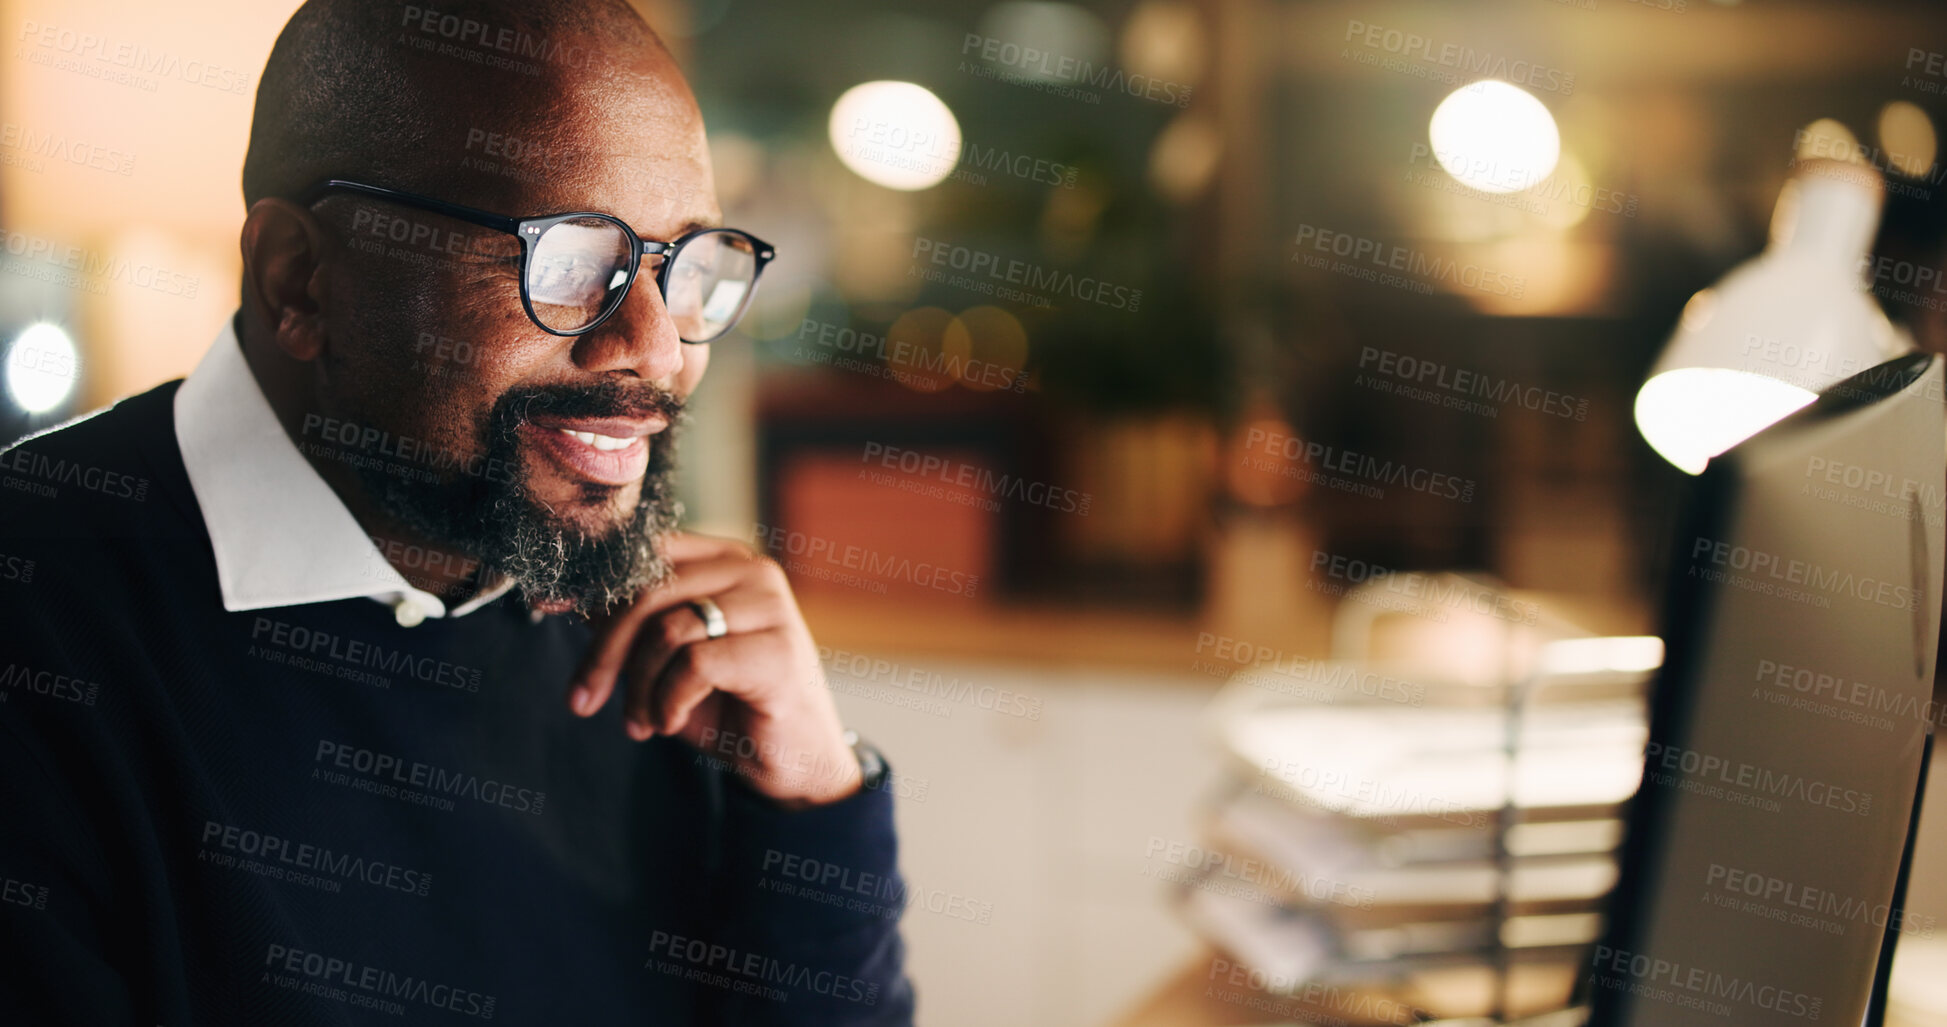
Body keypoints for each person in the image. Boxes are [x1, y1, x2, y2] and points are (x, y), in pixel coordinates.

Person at [0, 1, 915, 1023]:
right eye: (570, 259)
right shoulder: (41, 619)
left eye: (685, 263)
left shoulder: (650, 637)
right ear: (300, 279)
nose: (656, 351)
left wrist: (811, 805)